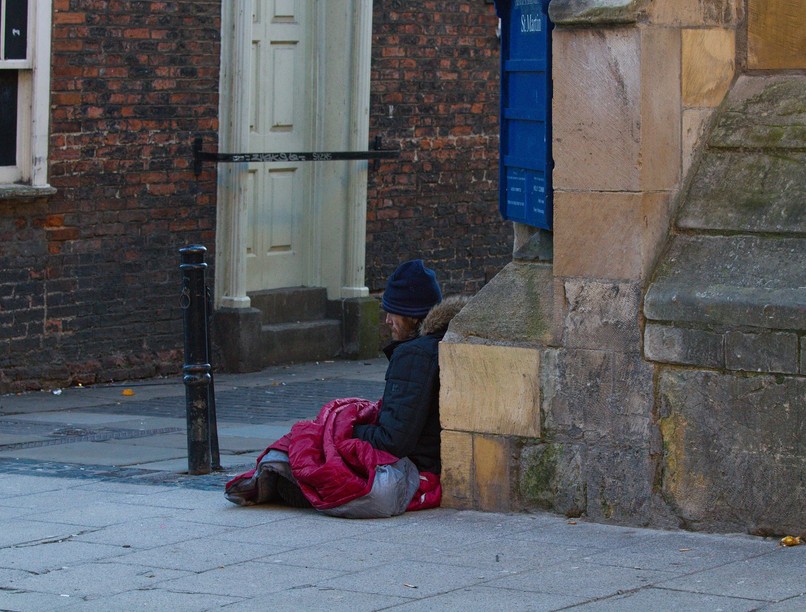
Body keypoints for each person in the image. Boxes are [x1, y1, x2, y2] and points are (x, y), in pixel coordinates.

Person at [225, 259, 466, 514]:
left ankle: (278, 480)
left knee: (313, 440)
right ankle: (276, 477)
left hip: (415, 467)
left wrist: (344, 431)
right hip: (429, 459)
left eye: (392, 312)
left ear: (411, 315)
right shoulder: (442, 344)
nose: (387, 321)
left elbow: (393, 441)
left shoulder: (413, 355)